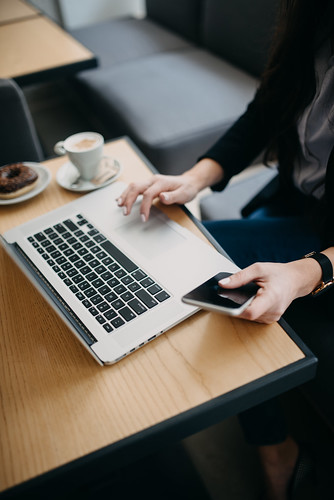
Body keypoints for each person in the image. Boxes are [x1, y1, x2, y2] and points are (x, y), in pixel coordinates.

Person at [117, 0, 334, 498]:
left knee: (210, 275)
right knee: (206, 265)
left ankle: (275, 451)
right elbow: (265, 112)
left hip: (328, 240)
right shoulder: (312, 19)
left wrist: (311, 271)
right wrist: (193, 179)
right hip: (296, 200)